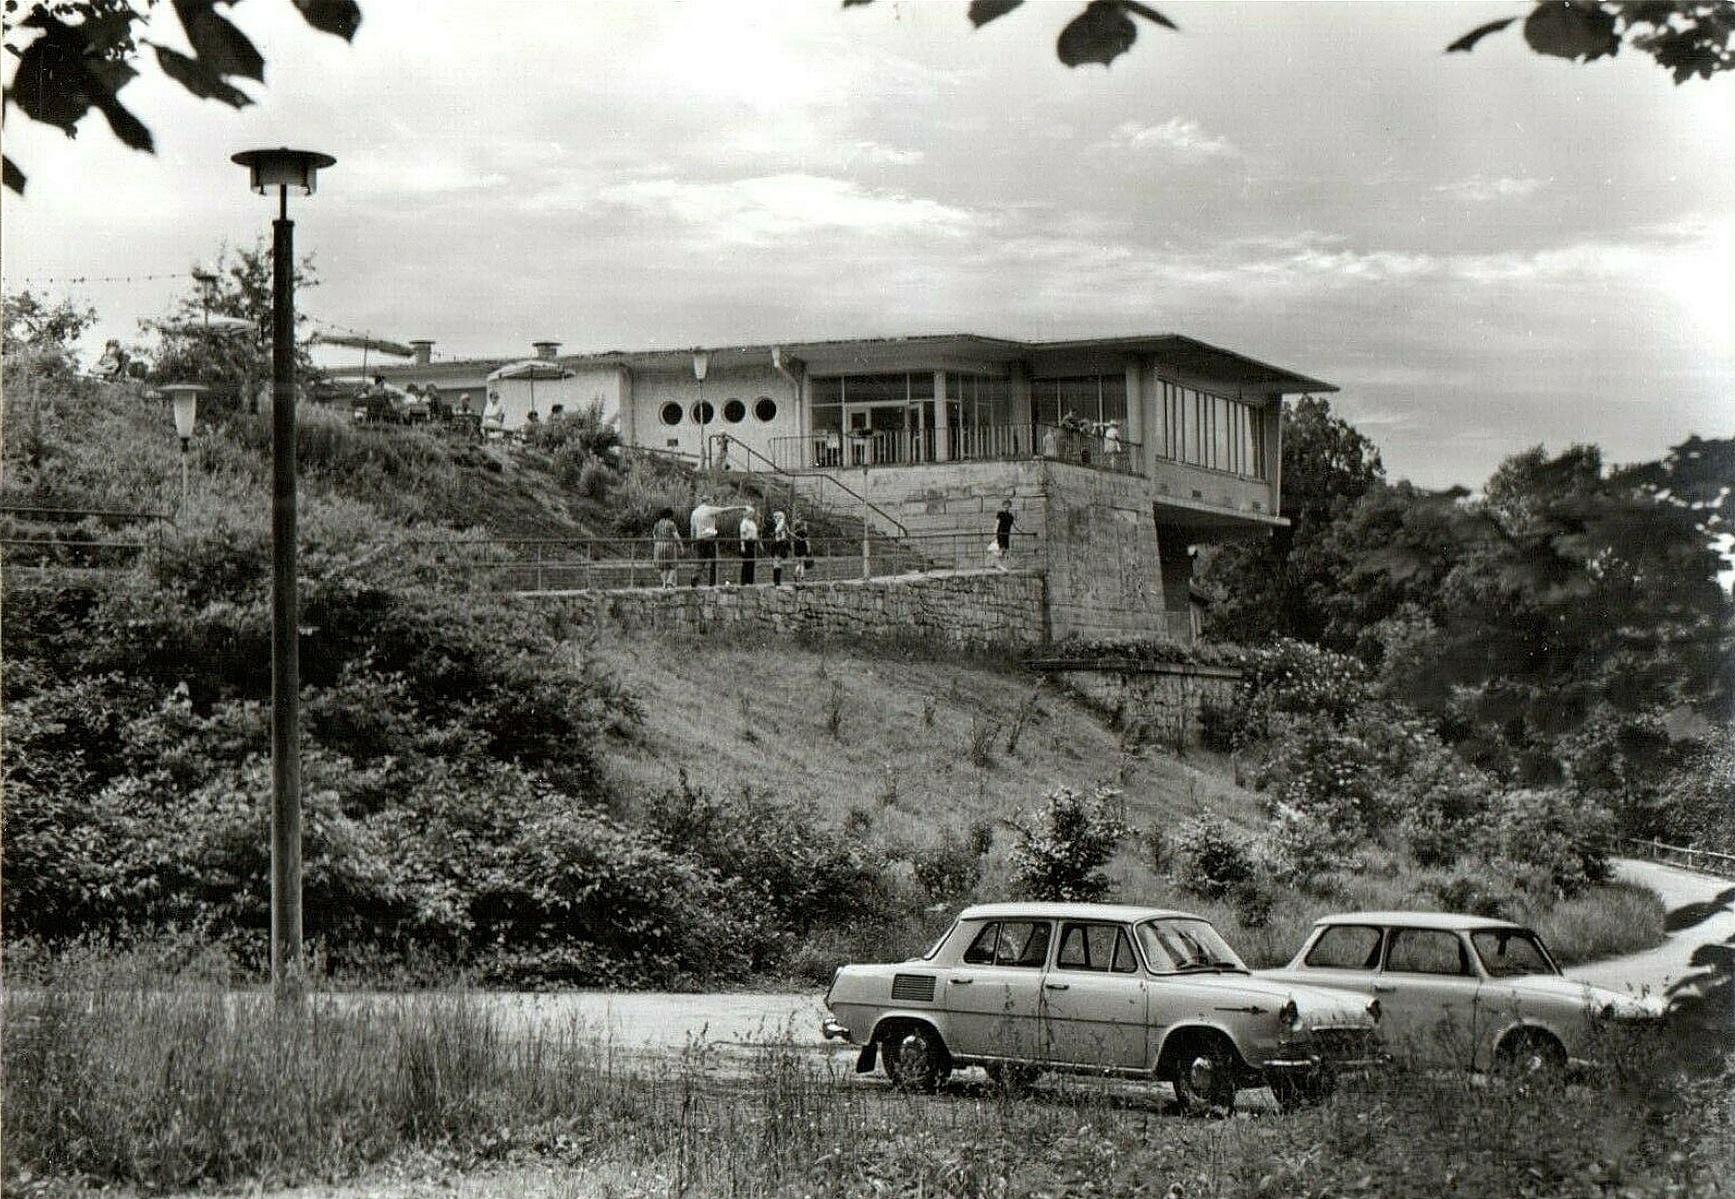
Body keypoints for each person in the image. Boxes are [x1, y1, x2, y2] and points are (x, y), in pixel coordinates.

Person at [689, 497, 752, 587]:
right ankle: (712, 583)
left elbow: (693, 528)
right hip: (709, 538)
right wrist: (741, 507)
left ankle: (694, 580)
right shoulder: (709, 509)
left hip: (699, 539)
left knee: (700, 561)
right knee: (714, 561)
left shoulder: (694, 512)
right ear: (708, 501)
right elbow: (725, 510)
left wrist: (693, 541)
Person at [651, 507, 682, 589]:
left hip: (658, 545)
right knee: (673, 565)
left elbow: (654, 536)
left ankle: (664, 584)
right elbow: (676, 536)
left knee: (662, 566)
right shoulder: (671, 524)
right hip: (669, 545)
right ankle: (669, 580)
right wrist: (681, 545)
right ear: (670, 515)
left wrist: (656, 545)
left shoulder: (656, 524)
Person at [768, 510, 792, 586]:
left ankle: (776, 581)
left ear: (780, 517)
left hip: (779, 545)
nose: (775, 518)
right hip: (778, 544)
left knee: (777, 563)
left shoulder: (781, 525)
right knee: (777, 563)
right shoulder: (781, 524)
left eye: (776, 517)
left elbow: (783, 536)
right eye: (774, 517)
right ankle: (776, 581)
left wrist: (777, 539)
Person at [737, 507, 760, 585]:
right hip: (747, 542)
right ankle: (744, 581)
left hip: (752, 543)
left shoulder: (752, 523)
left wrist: (759, 543)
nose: (752, 515)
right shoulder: (744, 523)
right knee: (746, 562)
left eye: (752, 513)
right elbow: (742, 534)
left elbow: (755, 534)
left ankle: (750, 581)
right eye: (750, 513)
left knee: (751, 563)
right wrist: (742, 545)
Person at [991, 499, 1015, 571]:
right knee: (1000, 549)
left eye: (1008, 506)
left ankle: (999, 564)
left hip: (1006, 535)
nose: (1006, 507)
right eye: (1005, 506)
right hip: (1000, 534)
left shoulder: (1010, 516)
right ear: (1003, 506)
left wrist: (1022, 531)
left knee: (1005, 549)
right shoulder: (1000, 514)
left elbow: (1014, 525)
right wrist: (994, 534)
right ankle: (998, 565)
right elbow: (997, 524)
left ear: (1010, 506)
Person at [792, 516, 813, 582]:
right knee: (802, 563)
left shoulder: (795, 533)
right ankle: (802, 576)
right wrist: (808, 549)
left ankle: (796, 573)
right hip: (802, 549)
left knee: (799, 563)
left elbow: (793, 542)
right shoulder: (804, 533)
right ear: (801, 527)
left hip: (797, 549)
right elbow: (807, 541)